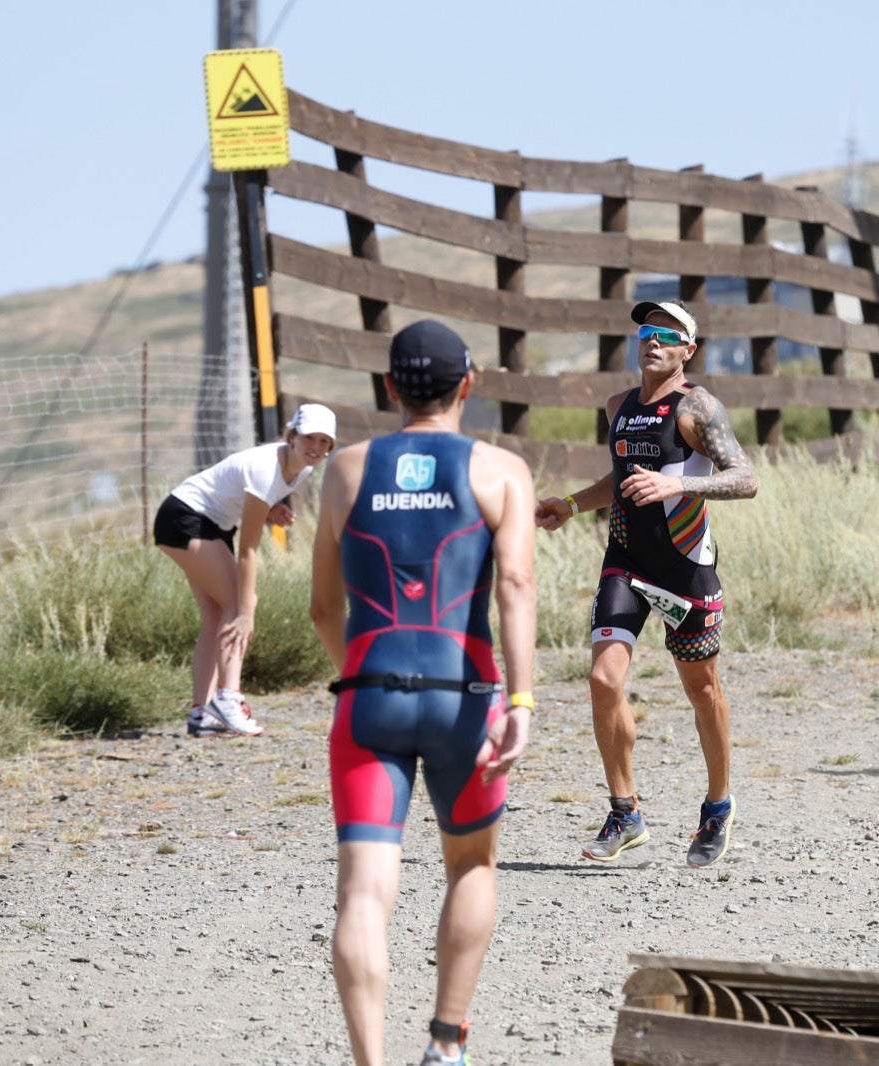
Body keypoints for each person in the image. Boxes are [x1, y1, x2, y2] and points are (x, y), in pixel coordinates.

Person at [310, 319, 536, 1066]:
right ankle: (445, 1043)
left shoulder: (345, 470)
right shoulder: (501, 471)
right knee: (470, 865)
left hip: (368, 695)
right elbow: (515, 585)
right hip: (464, 697)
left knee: (363, 895)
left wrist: (361, 676)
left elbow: (321, 609)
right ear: (468, 385)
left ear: (388, 388)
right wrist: (522, 702)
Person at [536, 299, 759, 868]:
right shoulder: (618, 406)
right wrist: (569, 504)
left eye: (666, 334)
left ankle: (717, 806)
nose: (651, 342)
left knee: (702, 691)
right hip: (626, 562)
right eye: (644, 334)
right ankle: (625, 810)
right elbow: (619, 481)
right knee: (602, 678)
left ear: (689, 350)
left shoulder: (697, 407)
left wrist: (676, 487)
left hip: (685, 566)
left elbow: (745, 478)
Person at [152, 403, 337, 738]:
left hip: (212, 522)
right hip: (185, 518)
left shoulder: (302, 470)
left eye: (325, 442)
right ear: (292, 436)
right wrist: (246, 612)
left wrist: (271, 510)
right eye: (310, 437)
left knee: (216, 615)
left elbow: (246, 497)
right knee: (238, 604)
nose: (317, 447)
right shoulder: (267, 468)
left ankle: (201, 713)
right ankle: (228, 698)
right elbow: (248, 551)